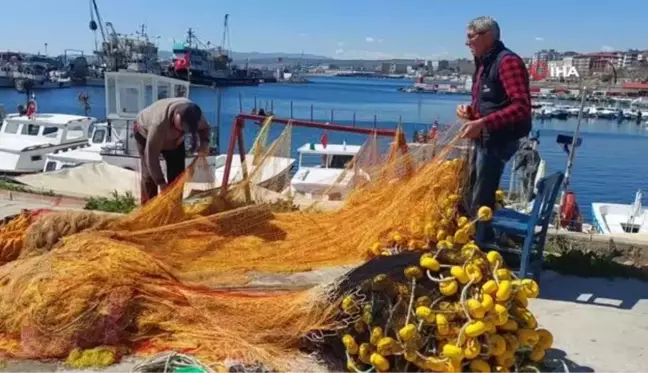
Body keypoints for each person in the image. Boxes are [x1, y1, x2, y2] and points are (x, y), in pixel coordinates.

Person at [457, 16, 532, 220]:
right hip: (485, 137)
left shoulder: (507, 62)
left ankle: (480, 243)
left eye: (471, 37)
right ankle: (473, 238)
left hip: (498, 139)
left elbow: (522, 107)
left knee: (481, 197)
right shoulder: (484, 63)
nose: (467, 43)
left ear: (488, 36)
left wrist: (482, 123)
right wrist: (471, 113)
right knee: (470, 191)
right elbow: (491, 103)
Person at [134, 97, 210, 204]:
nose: (182, 131)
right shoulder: (158, 124)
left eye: (186, 130)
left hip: (174, 141)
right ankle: (148, 207)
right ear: (176, 115)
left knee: (177, 174)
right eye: (181, 128)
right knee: (149, 176)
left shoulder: (196, 115)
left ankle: (175, 205)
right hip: (144, 134)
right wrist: (161, 182)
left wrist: (204, 143)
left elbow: (205, 128)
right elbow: (151, 157)